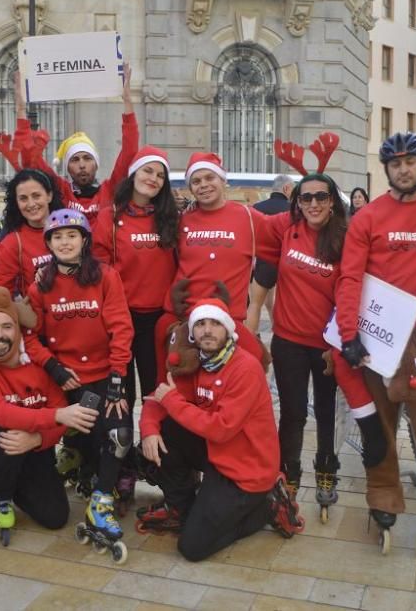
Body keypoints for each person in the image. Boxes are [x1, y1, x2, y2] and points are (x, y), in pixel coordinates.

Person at [336, 131, 416, 541]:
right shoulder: (368, 217)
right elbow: (350, 276)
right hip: (379, 339)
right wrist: (348, 332)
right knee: (381, 427)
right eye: (396, 164)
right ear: (387, 170)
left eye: (411, 162)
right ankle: (383, 492)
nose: (404, 169)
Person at [254, 167, 386, 520]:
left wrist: (339, 343)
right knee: (293, 414)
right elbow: (245, 222)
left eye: (320, 197)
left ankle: (327, 472)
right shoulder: (286, 227)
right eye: (305, 197)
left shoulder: (345, 238)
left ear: (332, 202)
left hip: (327, 344)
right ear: (297, 201)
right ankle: (289, 476)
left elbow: (351, 292)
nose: (313, 203)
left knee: (326, 412)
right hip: (287, 341)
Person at [137, 298, 301, 561]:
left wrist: (171, 400)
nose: (207, 330)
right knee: (165, 432)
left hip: (247, 472)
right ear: (192, 332)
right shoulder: (198, 361)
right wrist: (148, 430)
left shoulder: (244, 368)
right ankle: (185, 511)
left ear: (227, 330)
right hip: (218, 455)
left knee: (191, 548)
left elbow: (221, 428)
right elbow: (159, 397)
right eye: (200, 324)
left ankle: (266, 507)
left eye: (215, 323)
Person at [24, 208, 134, 552]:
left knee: (118, 433)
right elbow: (29, 337)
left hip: (102, 374)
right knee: (68, 430)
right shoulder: (40, 283)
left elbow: (120, 327)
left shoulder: (104, 276)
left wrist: (118, 376)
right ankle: (59, 471)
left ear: (84, 240)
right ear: (49, 243)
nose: (65, 242)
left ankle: (101, 500)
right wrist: (53, 366)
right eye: (57, 237)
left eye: (72, 235)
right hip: (63, 379)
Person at [0, 286, 99, 542]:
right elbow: (2, 413)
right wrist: (56, 416)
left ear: (18, 328)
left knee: (55, 517)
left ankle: (10, 478)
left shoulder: (37, 363)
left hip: (32, 439)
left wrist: (38, 440)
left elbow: (58, 407)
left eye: (6, 326)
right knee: (10, 435)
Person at [91, 145, 179, 506]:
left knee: (160, 392)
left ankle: (167, 466)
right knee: (121, 396)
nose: (153, 179)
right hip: (121, 319)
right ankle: (123, 467)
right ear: (134, 175)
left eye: (160, 175)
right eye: (148, 172)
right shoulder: (109, 217)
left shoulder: (172, 217)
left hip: (158, 320)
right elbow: (98, 268)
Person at [154, 153, 267, 365]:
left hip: (227, 323)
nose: (203, 185)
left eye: (209, 178)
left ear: (222, 179)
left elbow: (287, 236)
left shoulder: (250, 218)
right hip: (183, 320)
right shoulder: (181, 220)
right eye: (196, 181)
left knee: (249, 369)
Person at [6, 66, 138, 224]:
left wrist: (128, 102)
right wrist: (21, 108)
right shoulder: (60, 190)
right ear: (67, 167)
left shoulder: (110, 190)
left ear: (96, 164)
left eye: (87, 158)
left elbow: (130, 151)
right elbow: (30, 160)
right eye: (75, 160)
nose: (82, 165)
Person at [0, 169, 61, 297]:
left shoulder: (71, 229)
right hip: (37, 314)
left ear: (49, 196)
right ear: (16, 203)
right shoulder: (12, 242)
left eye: (36, 196)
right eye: (23, 198)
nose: (31, 204)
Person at [245, 174, 293, 334]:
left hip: (263, 262)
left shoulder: (257, 208)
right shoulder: (293, 209)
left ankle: (249, 342)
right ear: (286, 188)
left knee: (255, 304)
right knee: (286, 306)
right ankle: (281, 334)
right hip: (289, 263)